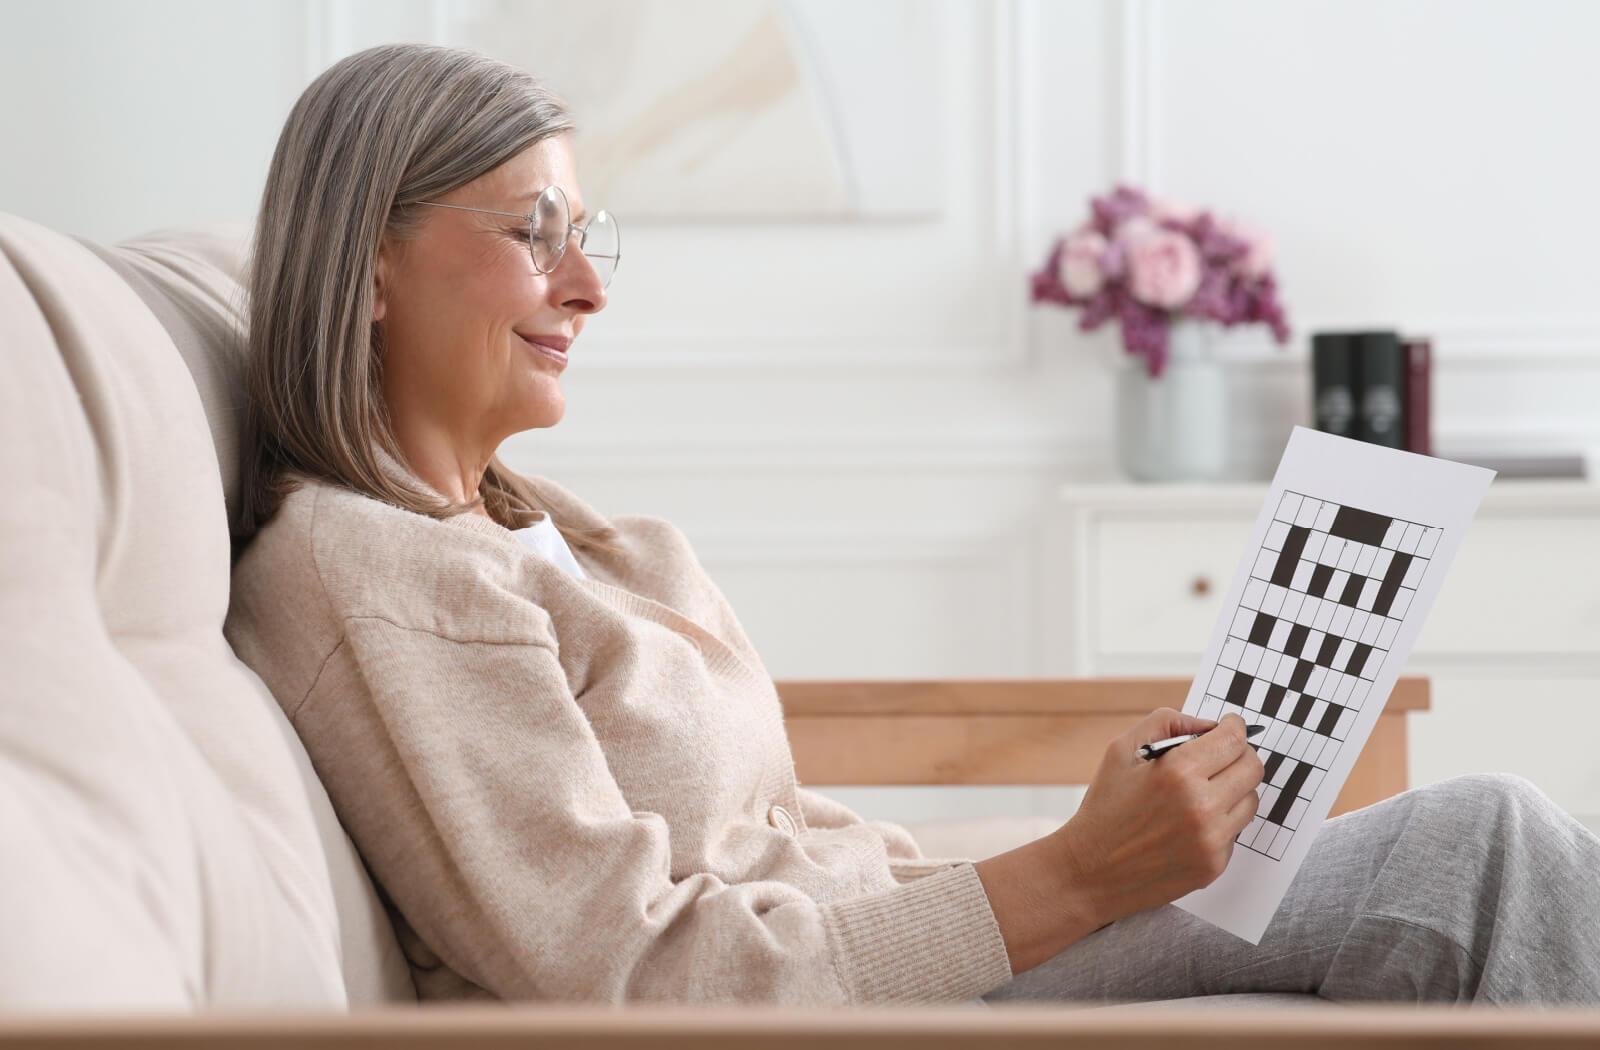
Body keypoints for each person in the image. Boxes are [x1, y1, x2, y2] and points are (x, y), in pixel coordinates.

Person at [225, 42, 1600, 1006]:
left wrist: (1095, 842)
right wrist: (1070, 873)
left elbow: (775, 829)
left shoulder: (541, 530)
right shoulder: (373, 570)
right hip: (879, 990)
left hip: (912, 928)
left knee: (1499, 842)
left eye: (593, 234)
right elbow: (629, 971)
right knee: (1482, 846)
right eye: (536, 230)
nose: (587, 285)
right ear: (369, 264)